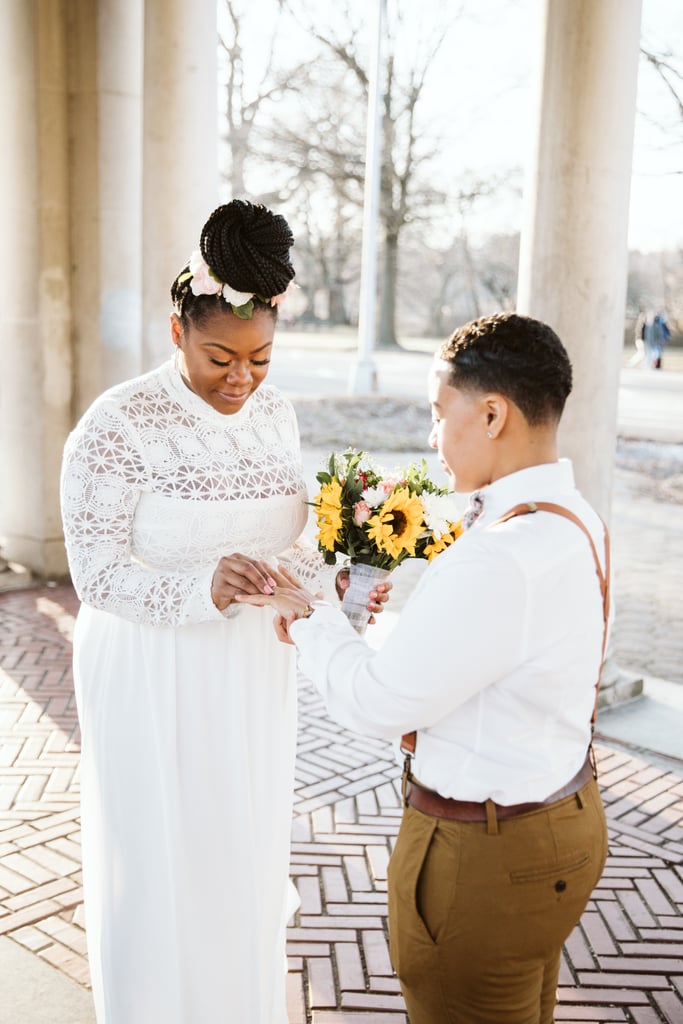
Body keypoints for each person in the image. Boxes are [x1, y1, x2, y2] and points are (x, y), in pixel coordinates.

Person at [59, 199, 389, 1024]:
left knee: (235, 850)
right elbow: (95, 573)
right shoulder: (116, 425)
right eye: (219, 357)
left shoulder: (276, 416)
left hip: (250, 674)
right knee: (161, 856)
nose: (241, 378)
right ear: (177, 334)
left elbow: (295, 544)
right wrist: (198, 590)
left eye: (261, 358)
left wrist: (330, 593)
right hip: (148, 668)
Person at [237, 312, 610, 1024]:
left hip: (484, 860)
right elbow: (502, 655)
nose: (433, 436)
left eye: (440, 414)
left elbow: (378, 705)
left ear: (493, 414)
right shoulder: (572, 517)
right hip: (564, 820)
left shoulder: (499, 553)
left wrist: (309, 615)